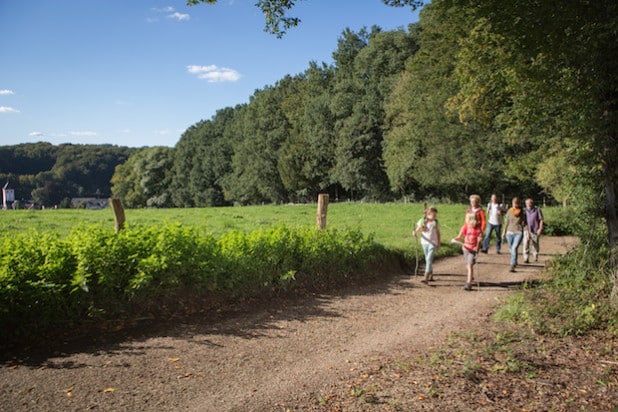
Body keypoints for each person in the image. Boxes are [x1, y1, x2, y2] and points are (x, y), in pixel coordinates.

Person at [453, 212, 482, 291]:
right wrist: (454, 239)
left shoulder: (478, 229)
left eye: (466, 218)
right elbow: (459, 237)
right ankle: (471, 277)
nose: (465, 220)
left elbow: (479, 240)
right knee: (468, 265)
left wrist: (478, 246)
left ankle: (468, 283)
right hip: (465, 248)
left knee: (470, 266)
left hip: (473, 250)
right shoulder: (465, 227)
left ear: (471, 220)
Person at [413, 207, 441, 283]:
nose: (435, 216)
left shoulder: (436, 222)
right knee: (427, 259)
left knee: (428, 259)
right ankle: (431, 274)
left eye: (435, 215)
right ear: (429, 214)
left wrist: (439, 243)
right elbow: (419, 228)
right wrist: (415, 232)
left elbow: (438, 233)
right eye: (433, 214)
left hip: (433, 242)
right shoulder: (422, 220)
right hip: (424, 242)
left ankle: (426, 277)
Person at [502, 197, 526, 272]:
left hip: (518, 232)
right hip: (509, 232)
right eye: (514, 203)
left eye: (516, 204)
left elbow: (525, 222)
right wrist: (504, 232)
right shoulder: (509, 211)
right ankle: (515, 260)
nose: (515, 205)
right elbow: (506, 222)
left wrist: (526, 231)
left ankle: (512, 264)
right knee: (511, 248)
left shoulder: (522, 212)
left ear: (519, 204)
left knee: (514, 248)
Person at [523, 198, 544, 263]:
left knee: (535, 244)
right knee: (526, 243)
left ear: (532, 203)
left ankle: (535, 256)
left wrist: (540, 228)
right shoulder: (524, 211)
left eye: (530, 203)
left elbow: (541, 219)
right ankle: (526, 258)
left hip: (535, 229)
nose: (528, 204)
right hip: (526, 229)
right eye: (527, 203)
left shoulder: (537, 210)